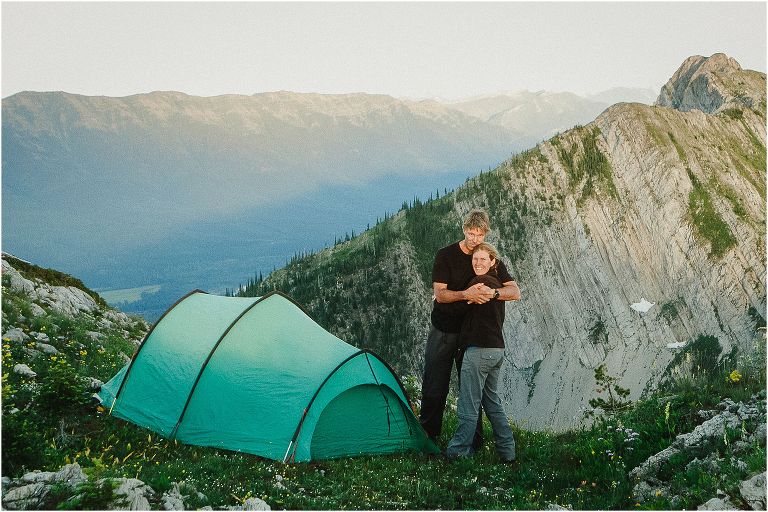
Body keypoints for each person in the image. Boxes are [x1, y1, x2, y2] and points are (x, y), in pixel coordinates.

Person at [420, 209, 519, 446]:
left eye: (480, 234)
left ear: (485, 234)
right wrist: (467, 294)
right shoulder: (446, 256)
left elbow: (514, 291)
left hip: (471, 335)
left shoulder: (489, 258)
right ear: (464, 230)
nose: (475, 239)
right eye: (471, 233)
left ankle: (474, 442)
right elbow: (440, 295)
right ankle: (427, 436)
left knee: (470, 390)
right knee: (435, 384)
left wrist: (493, 293)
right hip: (444, 329)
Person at [446, 242, 519, 462]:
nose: (478, 263)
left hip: (478, 351)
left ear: (492, 262)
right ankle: (508, 452)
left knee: (469, 404)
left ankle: (457, 453)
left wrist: (445, 297)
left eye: (483, 259)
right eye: (475, 259)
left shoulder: (480, 283)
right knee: (491, 402)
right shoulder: (497, 285)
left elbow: (460, 304)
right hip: (496, 350)